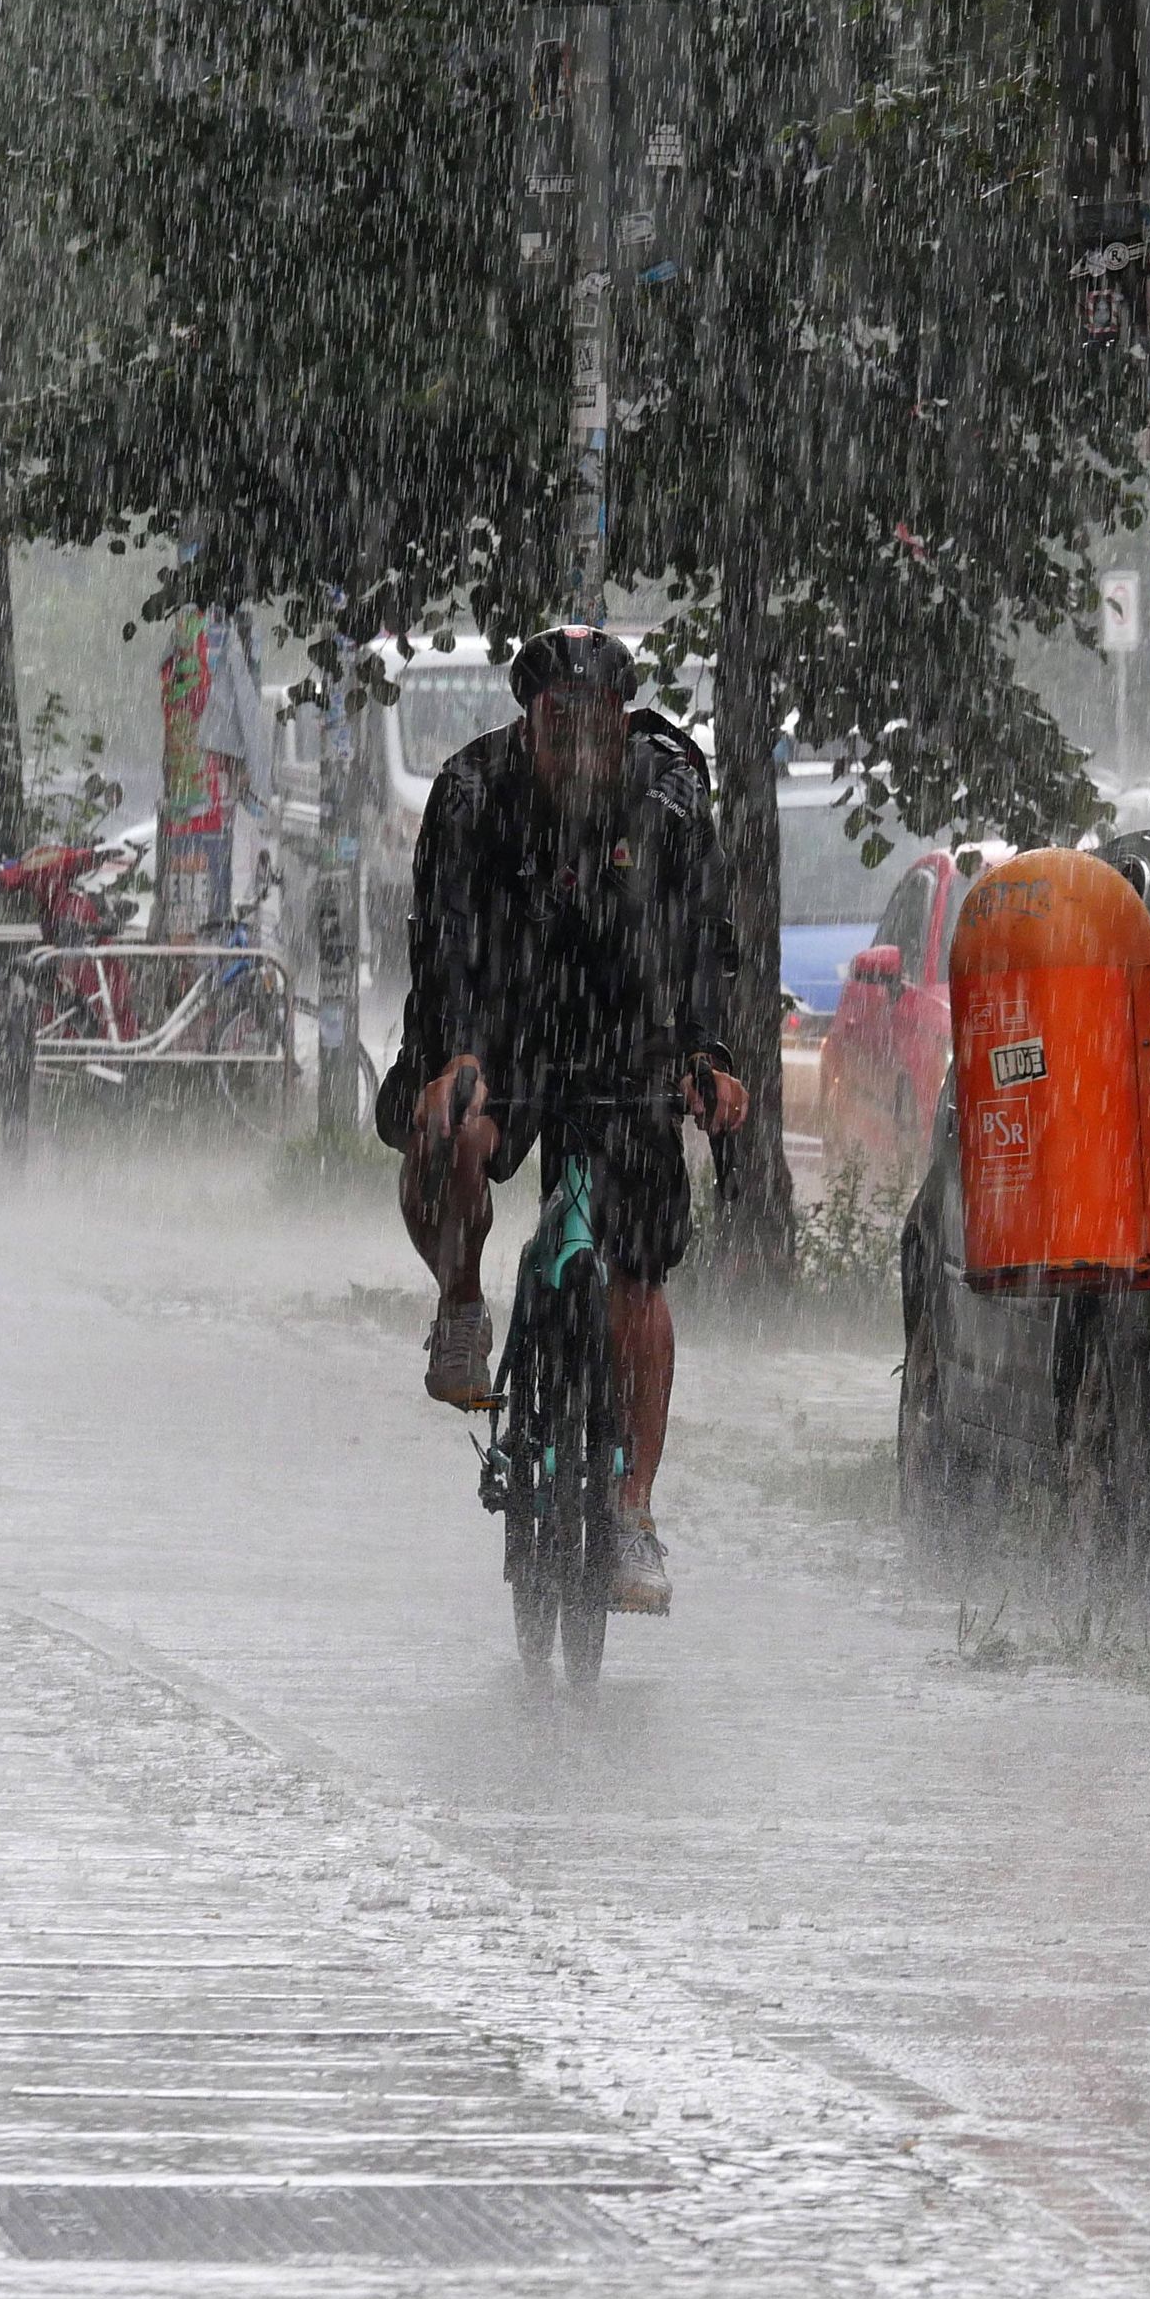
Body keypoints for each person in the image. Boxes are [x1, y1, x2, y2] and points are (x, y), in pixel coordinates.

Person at [375, 624, 747, 1614]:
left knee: (638, 1273)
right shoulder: (469, 792)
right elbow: (445, 941)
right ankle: (462, 1305)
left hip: (626, 1031)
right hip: (499, 1023)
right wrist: (456, 1057)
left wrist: (707, 1056)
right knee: (449, 1132)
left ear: (623, 721)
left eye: (597, 723)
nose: (578, 745)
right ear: (528, 722)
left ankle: (631, 1512)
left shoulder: (669, 793)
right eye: (558, 723)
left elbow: (700, 936)